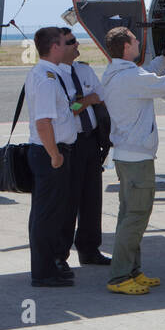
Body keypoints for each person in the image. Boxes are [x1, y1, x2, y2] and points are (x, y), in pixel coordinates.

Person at [99, 26, 165, 296]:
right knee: (135, 217)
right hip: (137, 159)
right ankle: (120, 276)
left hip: (127, 156)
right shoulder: (130, 77)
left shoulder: (118, 73)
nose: (139, 42)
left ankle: (132, 270)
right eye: (135, 40)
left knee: (129, 215)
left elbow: (148, 74)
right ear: (126, 47)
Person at [25, 26, 80, 287]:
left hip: (50, 152)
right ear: (55, 47)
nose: (68, 46)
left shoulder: (46, 74)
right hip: (50, 154)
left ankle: (47, 268)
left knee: (48, 214)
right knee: (46, 216)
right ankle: (44, 272)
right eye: (64, 42)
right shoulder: (47, 78)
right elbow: (43, 122)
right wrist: (55, 155)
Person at [56, 28, 111, 266]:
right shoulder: (54, 76)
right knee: (68, 201)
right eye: (71, 42)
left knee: (92, 198)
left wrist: (83, 102)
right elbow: (67, 110)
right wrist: (86, 101)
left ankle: (89, 249)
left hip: (90, 141)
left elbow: (100, 97)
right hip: (69, 144)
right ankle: (60, 254)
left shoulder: (85, 70)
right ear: (59, 47)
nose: (77, 44)